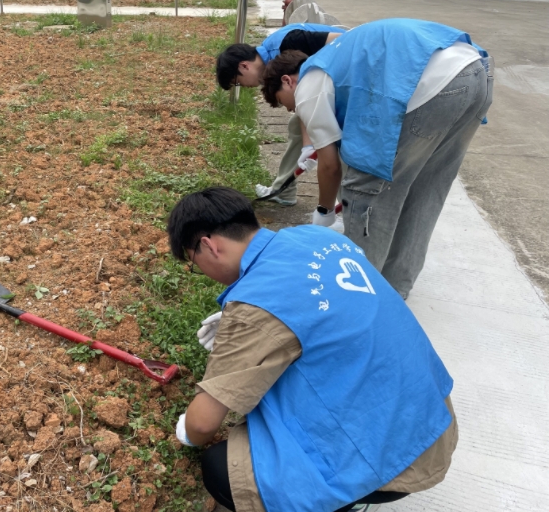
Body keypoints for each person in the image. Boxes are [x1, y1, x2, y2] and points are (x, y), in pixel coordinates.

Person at [167, 186, 458, 512]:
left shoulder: (256, 305)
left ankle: (344, 498)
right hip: (433, 418)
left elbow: (204, 424)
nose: (202, 273)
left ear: (208, 246)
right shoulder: (319, 238)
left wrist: (187, 432)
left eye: (193, 262)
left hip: (394, 457)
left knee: (220, 467)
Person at [260, 18, 494, 299]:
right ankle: (394, 292)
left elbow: (331, 167)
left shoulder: (309, 82)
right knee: (425, 191)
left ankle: (360, 299)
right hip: (475, 72)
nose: (291, 111)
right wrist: (312, 149)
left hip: (434, 83)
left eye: (284, 103)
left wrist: (323, 212)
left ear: (288, 81)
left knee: (366, 188)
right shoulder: (334, 61)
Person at [215, 24, 344, 206]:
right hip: (325, 88)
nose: (244, 87)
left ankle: (343, 207)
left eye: (238, 83)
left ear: (244, 66)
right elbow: (303, 103)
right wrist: (307, 146)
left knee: (336, 142)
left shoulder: (287, 43)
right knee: (296, 126)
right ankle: (284, 190)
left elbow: (343, 39)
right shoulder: (273, 60)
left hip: (348, 81)